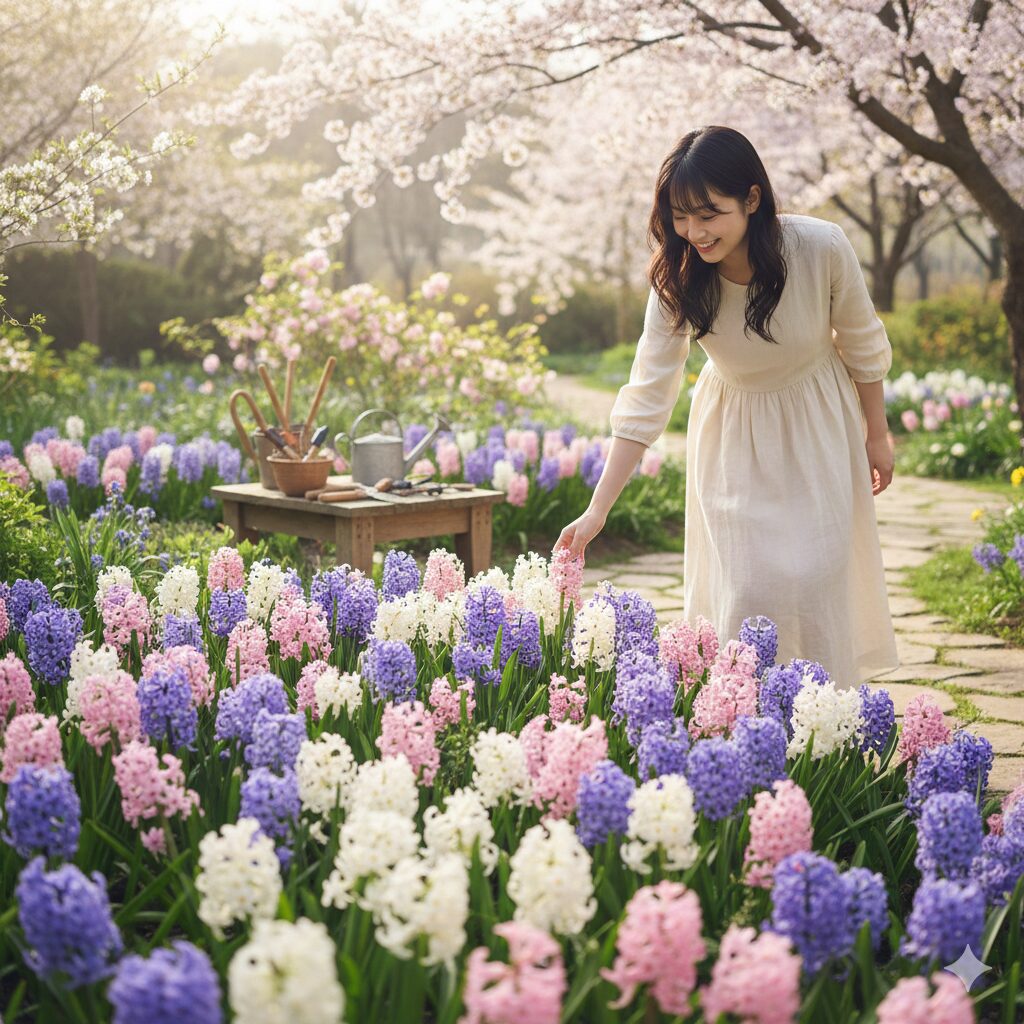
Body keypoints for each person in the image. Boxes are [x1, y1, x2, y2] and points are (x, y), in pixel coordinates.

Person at [553, 125, 899, 690]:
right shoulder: (679, 276)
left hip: (818, 419)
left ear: (752, 199)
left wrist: (877, 432)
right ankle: (742, 719)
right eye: (681, 217)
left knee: (816, 576)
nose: (694, 232)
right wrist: (597, 512)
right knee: (747, 585)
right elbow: (645, 396)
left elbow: (862, 340)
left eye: (709, 214)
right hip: (733, 429)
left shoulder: (820, 247)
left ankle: (828, 716)